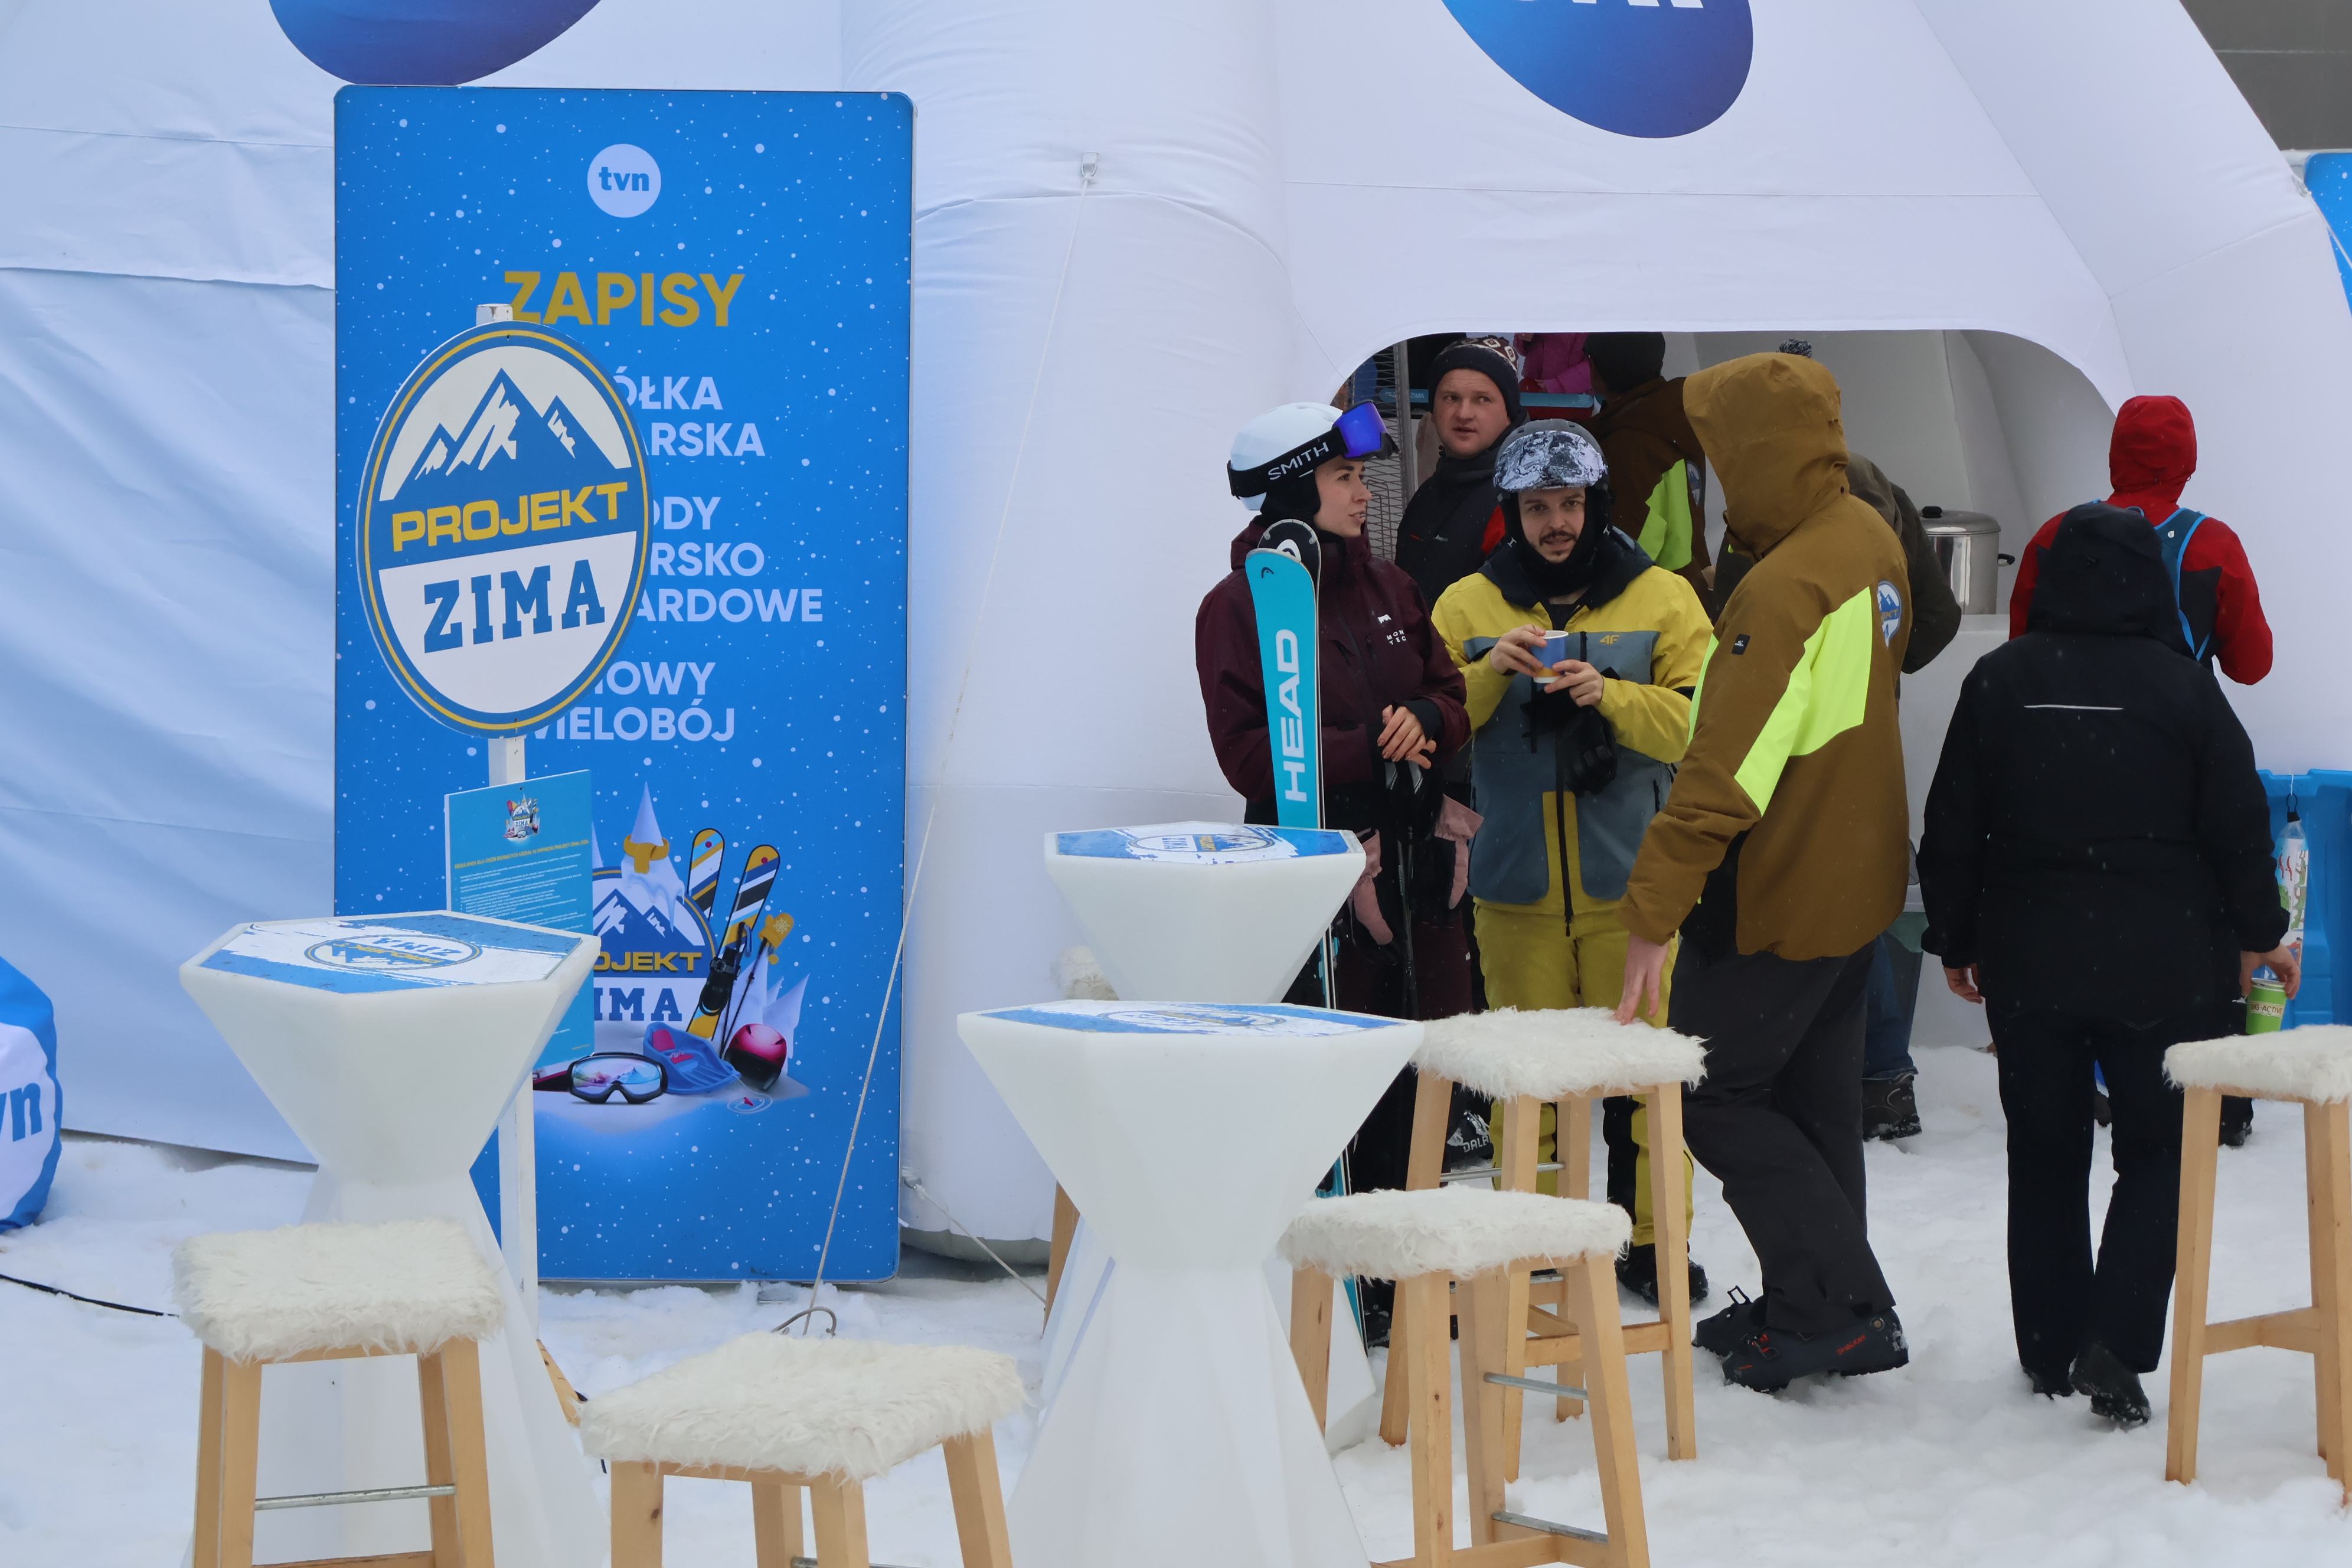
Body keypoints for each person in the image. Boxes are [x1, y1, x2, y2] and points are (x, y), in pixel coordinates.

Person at [1919, 503, 2297, 1426]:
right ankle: (2118, 1344)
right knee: (2162, 1153)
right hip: (2165, 959)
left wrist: (1957, 939)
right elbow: (2237, 824)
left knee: (2045, 1154)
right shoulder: (2185, 688)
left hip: (2030, 953)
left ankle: (2050, 1348)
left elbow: (1953, 822)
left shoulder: (2001, 680)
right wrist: (2261, 931)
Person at [1614, 351, 1912, 1390]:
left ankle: (1843, 1304)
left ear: (1750, 450)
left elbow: (1723, 775)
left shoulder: (1780, 591)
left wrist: (1652, 911)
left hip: (1779, 889)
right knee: (1813, 1098)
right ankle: (1817, 1310)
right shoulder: (1865, 535)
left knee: (1710, 1090)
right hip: (1857, 874)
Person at [1195, 400, 1476, 1342]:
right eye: (1345, 478)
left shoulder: (1392, 585)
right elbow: (1249, 756)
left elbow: (1449, 693)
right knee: (1331, 1081)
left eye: (1363, 477)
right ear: (1291, 490)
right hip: (1314, 875)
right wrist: (1368, 749)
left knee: (1413, 1068)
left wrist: (1428, 722)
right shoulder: (1237, 608)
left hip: (1413, 874)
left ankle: (1402, 1271)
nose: (1364, 494)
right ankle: (1329, 1282)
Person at [1430, 422, 1714, 1304]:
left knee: (1649, 1091)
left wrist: (1613, 696)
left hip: (1635, 895)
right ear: (1512, 513)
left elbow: (1701, 726)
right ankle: (1537, 1246)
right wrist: (1490, 674)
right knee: (1528, 1093)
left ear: (1597, 505)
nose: (1555, 523)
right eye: (1536, 508)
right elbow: (1434, 726)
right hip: (1513, 891)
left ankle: (1656, 1248)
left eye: (1570, 504)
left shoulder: (1666, 597)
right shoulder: (1465, 606)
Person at [2007, 394, 2271, 687]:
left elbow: (2019, 652)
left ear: (2116, 454)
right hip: (2173, 712)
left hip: (2064, 710)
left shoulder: (2053, 535)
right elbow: (2251, 667)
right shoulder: (2214, 545)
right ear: (2187, 461)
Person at [1394, 341, 1527, 609]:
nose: (1464, 414)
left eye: (1482, 399)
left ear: (1509, 411)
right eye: (1451, 398)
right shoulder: (1429, 493)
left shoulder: (1519, 500)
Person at [1585, 332, 1710, 603]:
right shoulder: (1673, 417)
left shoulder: (1628, 446)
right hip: (1690, 586)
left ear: (1594, 369)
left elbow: (1627, 554)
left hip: (1654, 603)